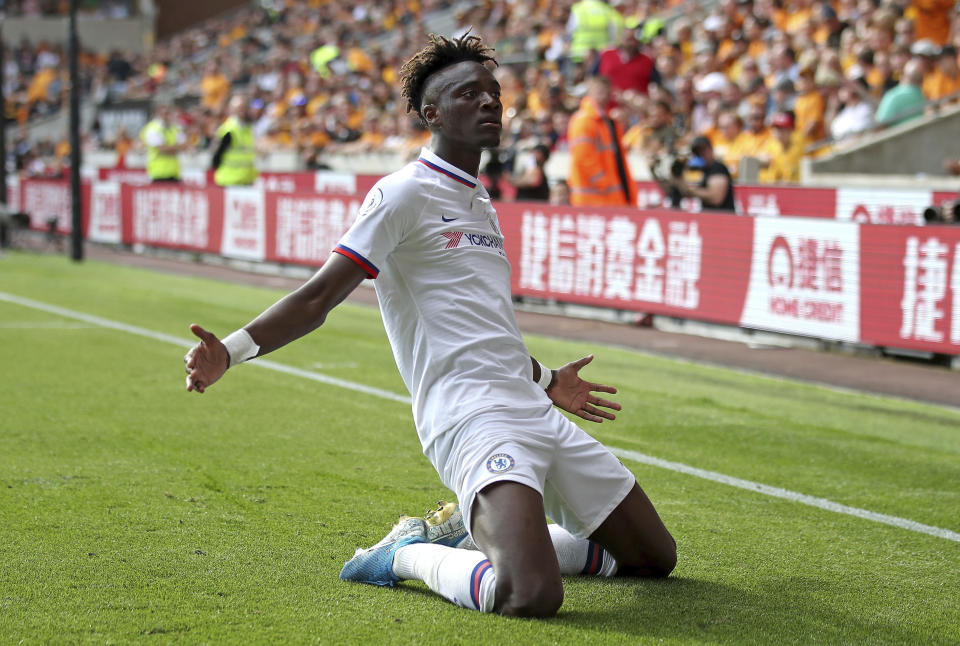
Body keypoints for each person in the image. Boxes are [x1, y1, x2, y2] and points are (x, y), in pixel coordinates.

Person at [183, 33, 675, 618]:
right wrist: (230, 353)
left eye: (493, 93)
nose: (490, 103)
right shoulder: (402, 194)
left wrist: (546, 381)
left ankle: (484, 536)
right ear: (431, 113)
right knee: (529, 594)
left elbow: (480, 328)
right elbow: (318, 297)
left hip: (529, 404)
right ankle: (405, 554)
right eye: (470, 94)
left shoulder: (479, 201)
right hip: (470, 415)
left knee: (653, 558)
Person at [566, 76, 637, 206]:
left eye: (606, 92)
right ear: (589, 93)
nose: (604, 96)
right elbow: (583, 157)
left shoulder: (608, 121)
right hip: (592, 198)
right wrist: (604, 182)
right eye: (599, 91)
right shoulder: (583, 121)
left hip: (609, 196)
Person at [654, 135, 736, 212]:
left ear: (710, 149)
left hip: (723, 218)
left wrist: (690, 189)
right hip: (707, 217)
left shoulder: (718, 168)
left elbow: (716, 198)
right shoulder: (699, 170)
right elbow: (677, 192)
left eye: (704, 150)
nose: (701, 154)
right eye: (698, 151)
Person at [211, 94, 258, 187]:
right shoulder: (229, 130)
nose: (242, 110)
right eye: (239, 107)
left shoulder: (248, 128)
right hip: (229, 181)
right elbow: (216, 157)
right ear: (231, 109)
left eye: (244, 107)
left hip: (245, 181)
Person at [139, 103, 185, 182]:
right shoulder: (152, 128)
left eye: (168, 113)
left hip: (174, 172)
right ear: (157, 114)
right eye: (164, 114)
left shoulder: (175, 127)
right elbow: (162, 149)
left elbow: (185, 145)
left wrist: (170, 148)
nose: (166, 116)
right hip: (158, 172)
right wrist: (176, 148)